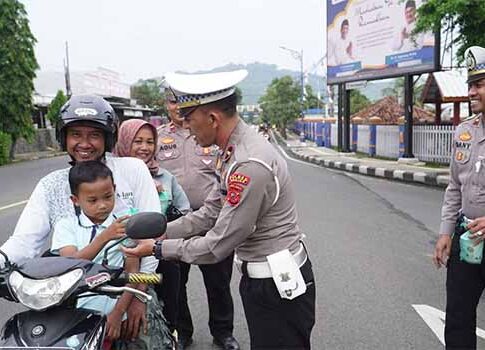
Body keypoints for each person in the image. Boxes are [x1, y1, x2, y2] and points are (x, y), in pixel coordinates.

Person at [123, 70, 316, 349]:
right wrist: (160, 232)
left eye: (189, 119)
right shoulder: (230, 152)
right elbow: (210, 212)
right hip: (262, 278)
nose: (186, 128)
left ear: (212, 119)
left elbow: (217, 245)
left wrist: (156, 249)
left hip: (277, 284)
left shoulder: (248, 164)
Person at [0, 95, 161, 344]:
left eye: (94, 135)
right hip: (66, 295)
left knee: (143, 341)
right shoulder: (51, 184)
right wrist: (1, 260)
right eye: (76, 134)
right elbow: (25, 240)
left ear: (107, 138)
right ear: (64, 137)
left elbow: (149, 240)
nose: (84, 143)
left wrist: (138, 298)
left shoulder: (132, 170)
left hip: (127, 290)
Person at [156, 88, 239, 350]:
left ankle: (223, 332)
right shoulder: (157, 138)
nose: (176, 107)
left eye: (182, 102)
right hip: (175, 222)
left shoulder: (211, 133)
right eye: (172, 101)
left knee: (218, 283)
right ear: (166, 105)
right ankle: (183, 332)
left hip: (213, 219)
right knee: (176, 285)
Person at [114, 118, 191, 334]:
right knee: (126, 322)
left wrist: (165, 230)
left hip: (160, 259)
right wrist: (138, 292)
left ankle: (173, 336)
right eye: (137, 141)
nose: (144, 147)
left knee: (168, 313)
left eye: (150, 142)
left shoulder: (165, 177)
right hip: (125, 261)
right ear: (124, 141)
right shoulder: (107, 176)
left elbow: (185, 211)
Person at [433, 45, 485, 349]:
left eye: (479, 85)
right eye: (470, 85)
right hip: (466, 241)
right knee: (457, 321)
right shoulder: (464, 132)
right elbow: (454, 186)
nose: (471, 92)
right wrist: (445, 233)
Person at [51, 161, 138, 342]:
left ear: (114, 189)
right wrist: (104, 237)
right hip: (77, 315)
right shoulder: (66, 227)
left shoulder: (125, 227)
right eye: (92, 200)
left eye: (108, 196)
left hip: (117, 311)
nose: (102, 206)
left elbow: (133, 275)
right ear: (75, 200)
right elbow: (70, 263)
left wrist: (118, 313)